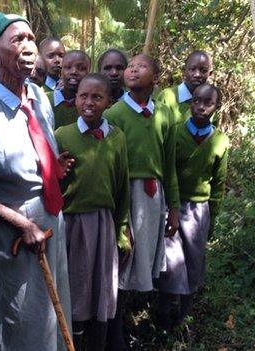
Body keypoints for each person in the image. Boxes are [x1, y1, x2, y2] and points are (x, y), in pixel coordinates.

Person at [0, 12, 73, 351]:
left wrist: (54, 167)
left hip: (51, 221)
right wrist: (23, 223)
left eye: (30, 38)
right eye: (17, 40)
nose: (28, 46)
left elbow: (39, 153)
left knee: (55, 314)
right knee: (23, 322)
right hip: (11, 235)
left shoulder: (39, 99)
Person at [103, 53, 180, 350]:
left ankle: (128, 321)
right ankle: (113, 331)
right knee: (122, 259)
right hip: (126, 195)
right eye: (130, 66)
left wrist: (174, 207)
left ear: (156, 78)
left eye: (142, 66)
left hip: (153, 197)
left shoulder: (165, 115)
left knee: (142, 261)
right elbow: (110, 167)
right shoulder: (114, 115)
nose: (133, 69)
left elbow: (169, 163)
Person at [54, 73, 130, 351]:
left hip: (103, 224)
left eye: (97, 97)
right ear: (74, 100)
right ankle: (70, 340)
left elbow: (122, 185)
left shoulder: (117, 138)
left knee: (102, 288)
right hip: (72, 224)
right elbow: (53, 182)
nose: (89, 102)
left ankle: (98, 342)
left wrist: (121, 229)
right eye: (83, 96)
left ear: (109, 102)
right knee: (74, 287)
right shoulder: (62, 135)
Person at [155, 83, 228, 329]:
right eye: (197, 101)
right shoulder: (175, 133)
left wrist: (213, 219)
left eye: (208, 103)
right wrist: (169, 204)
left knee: (194, 262)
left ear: (216, 107)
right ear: (190, 102)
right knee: (171, 262)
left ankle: (184, 318)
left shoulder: (220, 141)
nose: (201, 107)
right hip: (172, 206)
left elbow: (218, 183)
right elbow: (167, 170)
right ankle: (163, 315)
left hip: (199, 210)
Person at [156, 50, 213, 123]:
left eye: (203, 71)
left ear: (210, 74)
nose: (197, 74)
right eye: (192, 69)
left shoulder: (210, 103)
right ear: (184, 70)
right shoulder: (167, 97)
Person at [46, 50, 90, 129]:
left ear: (89, 73)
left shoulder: (90, 104)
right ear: (61, 71)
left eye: (81, 68)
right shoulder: (45, 100)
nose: (73, 72)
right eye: (68, 67)